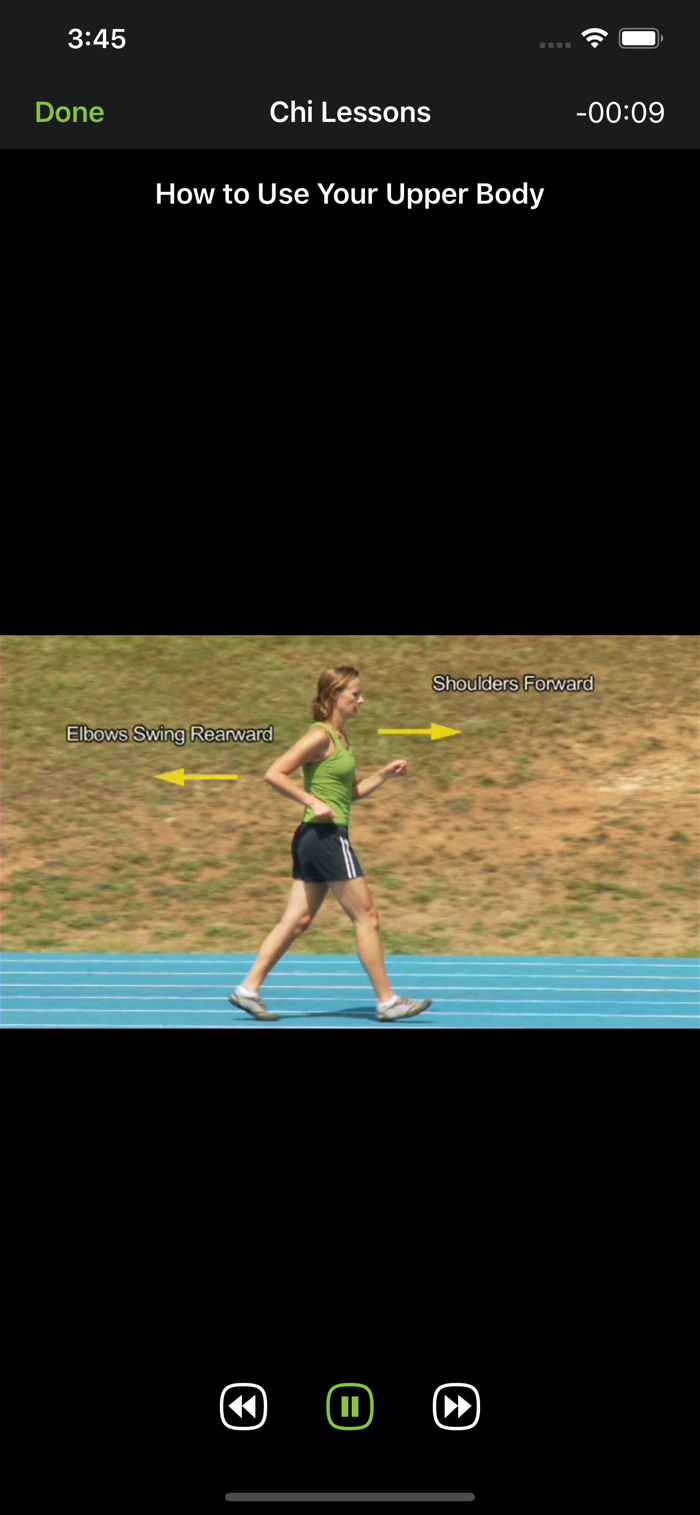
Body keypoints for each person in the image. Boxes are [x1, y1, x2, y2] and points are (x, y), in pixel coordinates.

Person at [230, 665, 432, 1023]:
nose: (362, 700)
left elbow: (350, 794)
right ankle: (388, 1001)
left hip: (315, 837)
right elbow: (274, 773)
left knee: (297, 920)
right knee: (367, 916)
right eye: (355, 694)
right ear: (334, 696)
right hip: (325, 836)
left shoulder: (341, 740)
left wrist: (383, 775)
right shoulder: (319, 736)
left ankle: (248, 989)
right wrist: (311, 800)